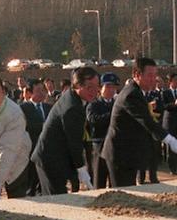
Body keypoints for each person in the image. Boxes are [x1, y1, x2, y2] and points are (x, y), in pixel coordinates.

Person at [102, 58, 177, 187]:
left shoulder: (138, 92)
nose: (153, 79)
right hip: (120, 155)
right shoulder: (131, 94)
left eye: (155, 75)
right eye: (150, 75)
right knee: (124, 193)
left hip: (129, 153)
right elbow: (147, 121)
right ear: (136, 75)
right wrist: (171, 141)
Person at [31, 67, 99, 195]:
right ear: (78, 85)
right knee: (54, 198)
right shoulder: (72, 107)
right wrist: (81, 168)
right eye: (90, 87)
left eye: (97, 86)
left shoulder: (75, 97)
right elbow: (73, 141)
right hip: (49, 158)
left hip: (58, 157)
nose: (95, 91)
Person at [19, 78, 52, 196]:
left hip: (47, 148)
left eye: (43, 90)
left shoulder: (49, 107)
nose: (42, 93)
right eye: (38, 90)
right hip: (31, 148)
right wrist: (45, 126)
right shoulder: (23, 108)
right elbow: (26, 127)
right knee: (31, 178)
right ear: (29, 93)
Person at [87, 73, 118, 188]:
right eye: (108, 87)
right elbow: (93, 120)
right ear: (100, 88)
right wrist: (112, 115)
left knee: (115, 180)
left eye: (113, 87)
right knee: (98, 179)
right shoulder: (94, 104)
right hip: (99, 145)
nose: (111, 90)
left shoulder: (117, 104)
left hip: (114, 145)